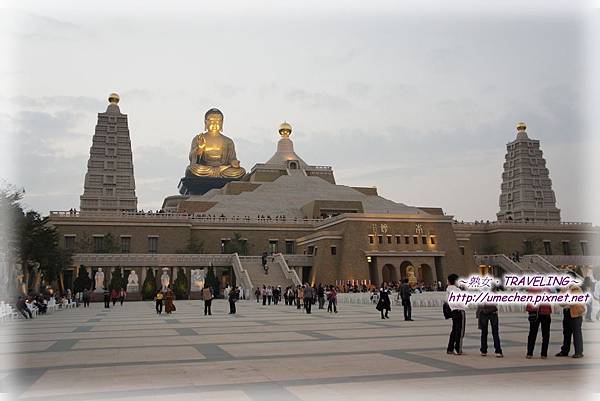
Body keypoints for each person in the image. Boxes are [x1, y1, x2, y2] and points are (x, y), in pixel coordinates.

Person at [556, 273, 585, 358]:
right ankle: (564, 351)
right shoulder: (565, 288)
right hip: (567, 312)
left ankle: (579, 352)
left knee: (576, 333)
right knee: (566, 333)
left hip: (575, 313)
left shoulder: (576, 288)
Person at [526, 290, 552, 359]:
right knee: (545, 334)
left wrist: (529, 310)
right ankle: (544, 354)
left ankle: (530, 353)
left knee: (532, 333)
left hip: (536, 312)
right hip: (544, 312)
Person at [446, 273, 466, 355]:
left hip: (453, 311)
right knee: (460, 331)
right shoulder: (457, 290)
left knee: (454, 330)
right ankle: (458, 348)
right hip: (460, 311)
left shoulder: (448, 289)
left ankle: (450, 348)